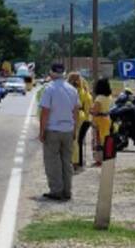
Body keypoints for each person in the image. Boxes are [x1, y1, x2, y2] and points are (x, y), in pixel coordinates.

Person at [39, 61, 80, 201]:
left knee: (52, 161)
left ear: (51, 73)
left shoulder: (49, 89)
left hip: (53, 129)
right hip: (68, 129)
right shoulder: (72, 89)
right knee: (67, 162)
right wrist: (75, 129)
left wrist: (41, 131)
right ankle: (67, 190)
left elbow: (45, 112)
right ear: (64, 73)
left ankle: (56, 190)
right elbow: (76, 111)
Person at [67, 72, 92, 168]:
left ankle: (73, 161)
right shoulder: (83, 90)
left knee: (73, 140)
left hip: (71, 114)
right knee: (76, 139)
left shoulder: (69, 90)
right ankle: (76, 161)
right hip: (81, 115)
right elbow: (87, 104)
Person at [90, 78, 112, 166]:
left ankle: (99, 159)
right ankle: (106, 157)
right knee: (105, 139)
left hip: (99, 120)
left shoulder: (99, 98)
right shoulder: (108, 97)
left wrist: (89, 110)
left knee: (97, 139)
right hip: (107, 118)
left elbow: (95, 111)